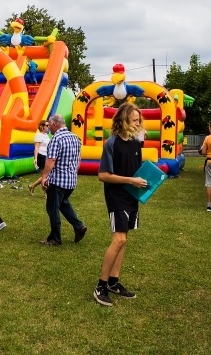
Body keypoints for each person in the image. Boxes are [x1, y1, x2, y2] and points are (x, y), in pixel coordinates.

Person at [93, 103, 148, 307]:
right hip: (116, 197)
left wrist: (145, 180)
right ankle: (101, 286)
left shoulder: (135, 143)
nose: (138, 123)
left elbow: (137, 171)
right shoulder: (111, 143)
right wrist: (131, 181)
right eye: (134, 120)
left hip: (132, 196)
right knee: (119, 239)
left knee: (124, 240)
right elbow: (103, 175)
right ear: (124, 120)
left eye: (138, 120)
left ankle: (114, 282)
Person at [40, 114, 87, 246]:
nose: (49, 128)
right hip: (71, 181)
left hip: (58, 181)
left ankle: (55, 238)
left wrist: (44, 177)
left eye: (49, 125)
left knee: (52, 208)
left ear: (55, 124)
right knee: (63, 204)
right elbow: (78, 160)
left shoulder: (56, 139)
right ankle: (79, 227)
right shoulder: (75, 138)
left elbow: (51, 160)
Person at [29, 120, 50, 196]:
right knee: (45, 176)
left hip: (47, 156)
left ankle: (32, 186)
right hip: (41, 156)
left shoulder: (46, 135)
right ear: (42, 126)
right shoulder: (38, 135)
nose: (48, 127)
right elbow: (36, 148)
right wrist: (35, 158)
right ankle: (46, 194)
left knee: (46, 176)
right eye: (47, 125)